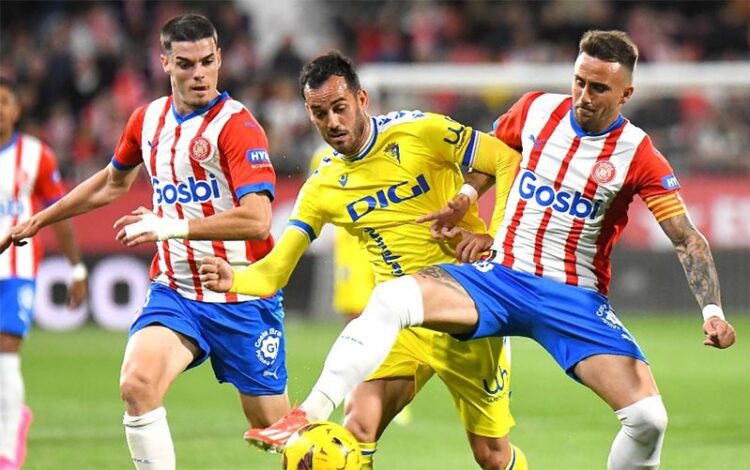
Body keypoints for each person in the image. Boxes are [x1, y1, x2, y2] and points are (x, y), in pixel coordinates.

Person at [209, 31, 737, 470]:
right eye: (579, 81)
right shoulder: (535, 111)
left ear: (625, 94)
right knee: (392, 303)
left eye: (599, 88)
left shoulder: (637, 153)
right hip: (498, 277)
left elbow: (686, 237)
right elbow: (499, 154)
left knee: (646, 420)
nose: (584, 96)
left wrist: (711, 310)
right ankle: (309, 413)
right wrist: (468, 199)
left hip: (570, 295)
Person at [202, 52, 526, 470]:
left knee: (492, 457)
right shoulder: (322, 188)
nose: (333, 123)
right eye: (321, 114)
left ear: (362, 99)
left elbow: (505, 158)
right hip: (397, 326)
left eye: (340, 108)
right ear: (309, 114)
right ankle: (313, 413)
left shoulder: (420, 132)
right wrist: (235, 279)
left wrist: (492, 237)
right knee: (357, 428)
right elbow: (275, 271)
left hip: (464, 307)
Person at [0, 14, 289, 470]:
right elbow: (111, 183)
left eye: (208, 62)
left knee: (278, 434)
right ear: (165, 63)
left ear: (220, 60)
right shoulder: (148, 119)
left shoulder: (238, 127)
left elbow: (258, 219)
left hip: (241, 295)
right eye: (186, 63)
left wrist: (168, 226)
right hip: (175, 291)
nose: (199, 74)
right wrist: (40, 218)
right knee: (137, 384)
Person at [0, 77, 88, 470]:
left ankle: (6, 445)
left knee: (6, 358)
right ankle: (14, 416)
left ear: (17, 108)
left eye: (4, 101)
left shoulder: (37, 156)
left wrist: (77, 268)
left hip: (16, 271)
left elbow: (61, 216)